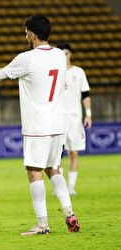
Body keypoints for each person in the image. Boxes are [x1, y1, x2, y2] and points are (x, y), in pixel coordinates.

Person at [0, 14, 80, 235]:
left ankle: (42, 224)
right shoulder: (61, 56)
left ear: (32, 34)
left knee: (34, 172)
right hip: (57, 123)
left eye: (25, 32)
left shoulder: (27, 58)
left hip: (37, 126)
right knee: (54, 170)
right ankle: (69, 213)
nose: (25, 36)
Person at [57, 43, 92, 195]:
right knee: (58, 154)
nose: (64, 57)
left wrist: (88, 114)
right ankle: (61, 187)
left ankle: (71, 186)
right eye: (62, 54)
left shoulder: (79, 72)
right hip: (58, 118)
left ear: (70, 54)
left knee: (74, 153)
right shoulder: (55, 73)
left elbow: (85, 94)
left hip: (75, 118)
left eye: (66, 54)